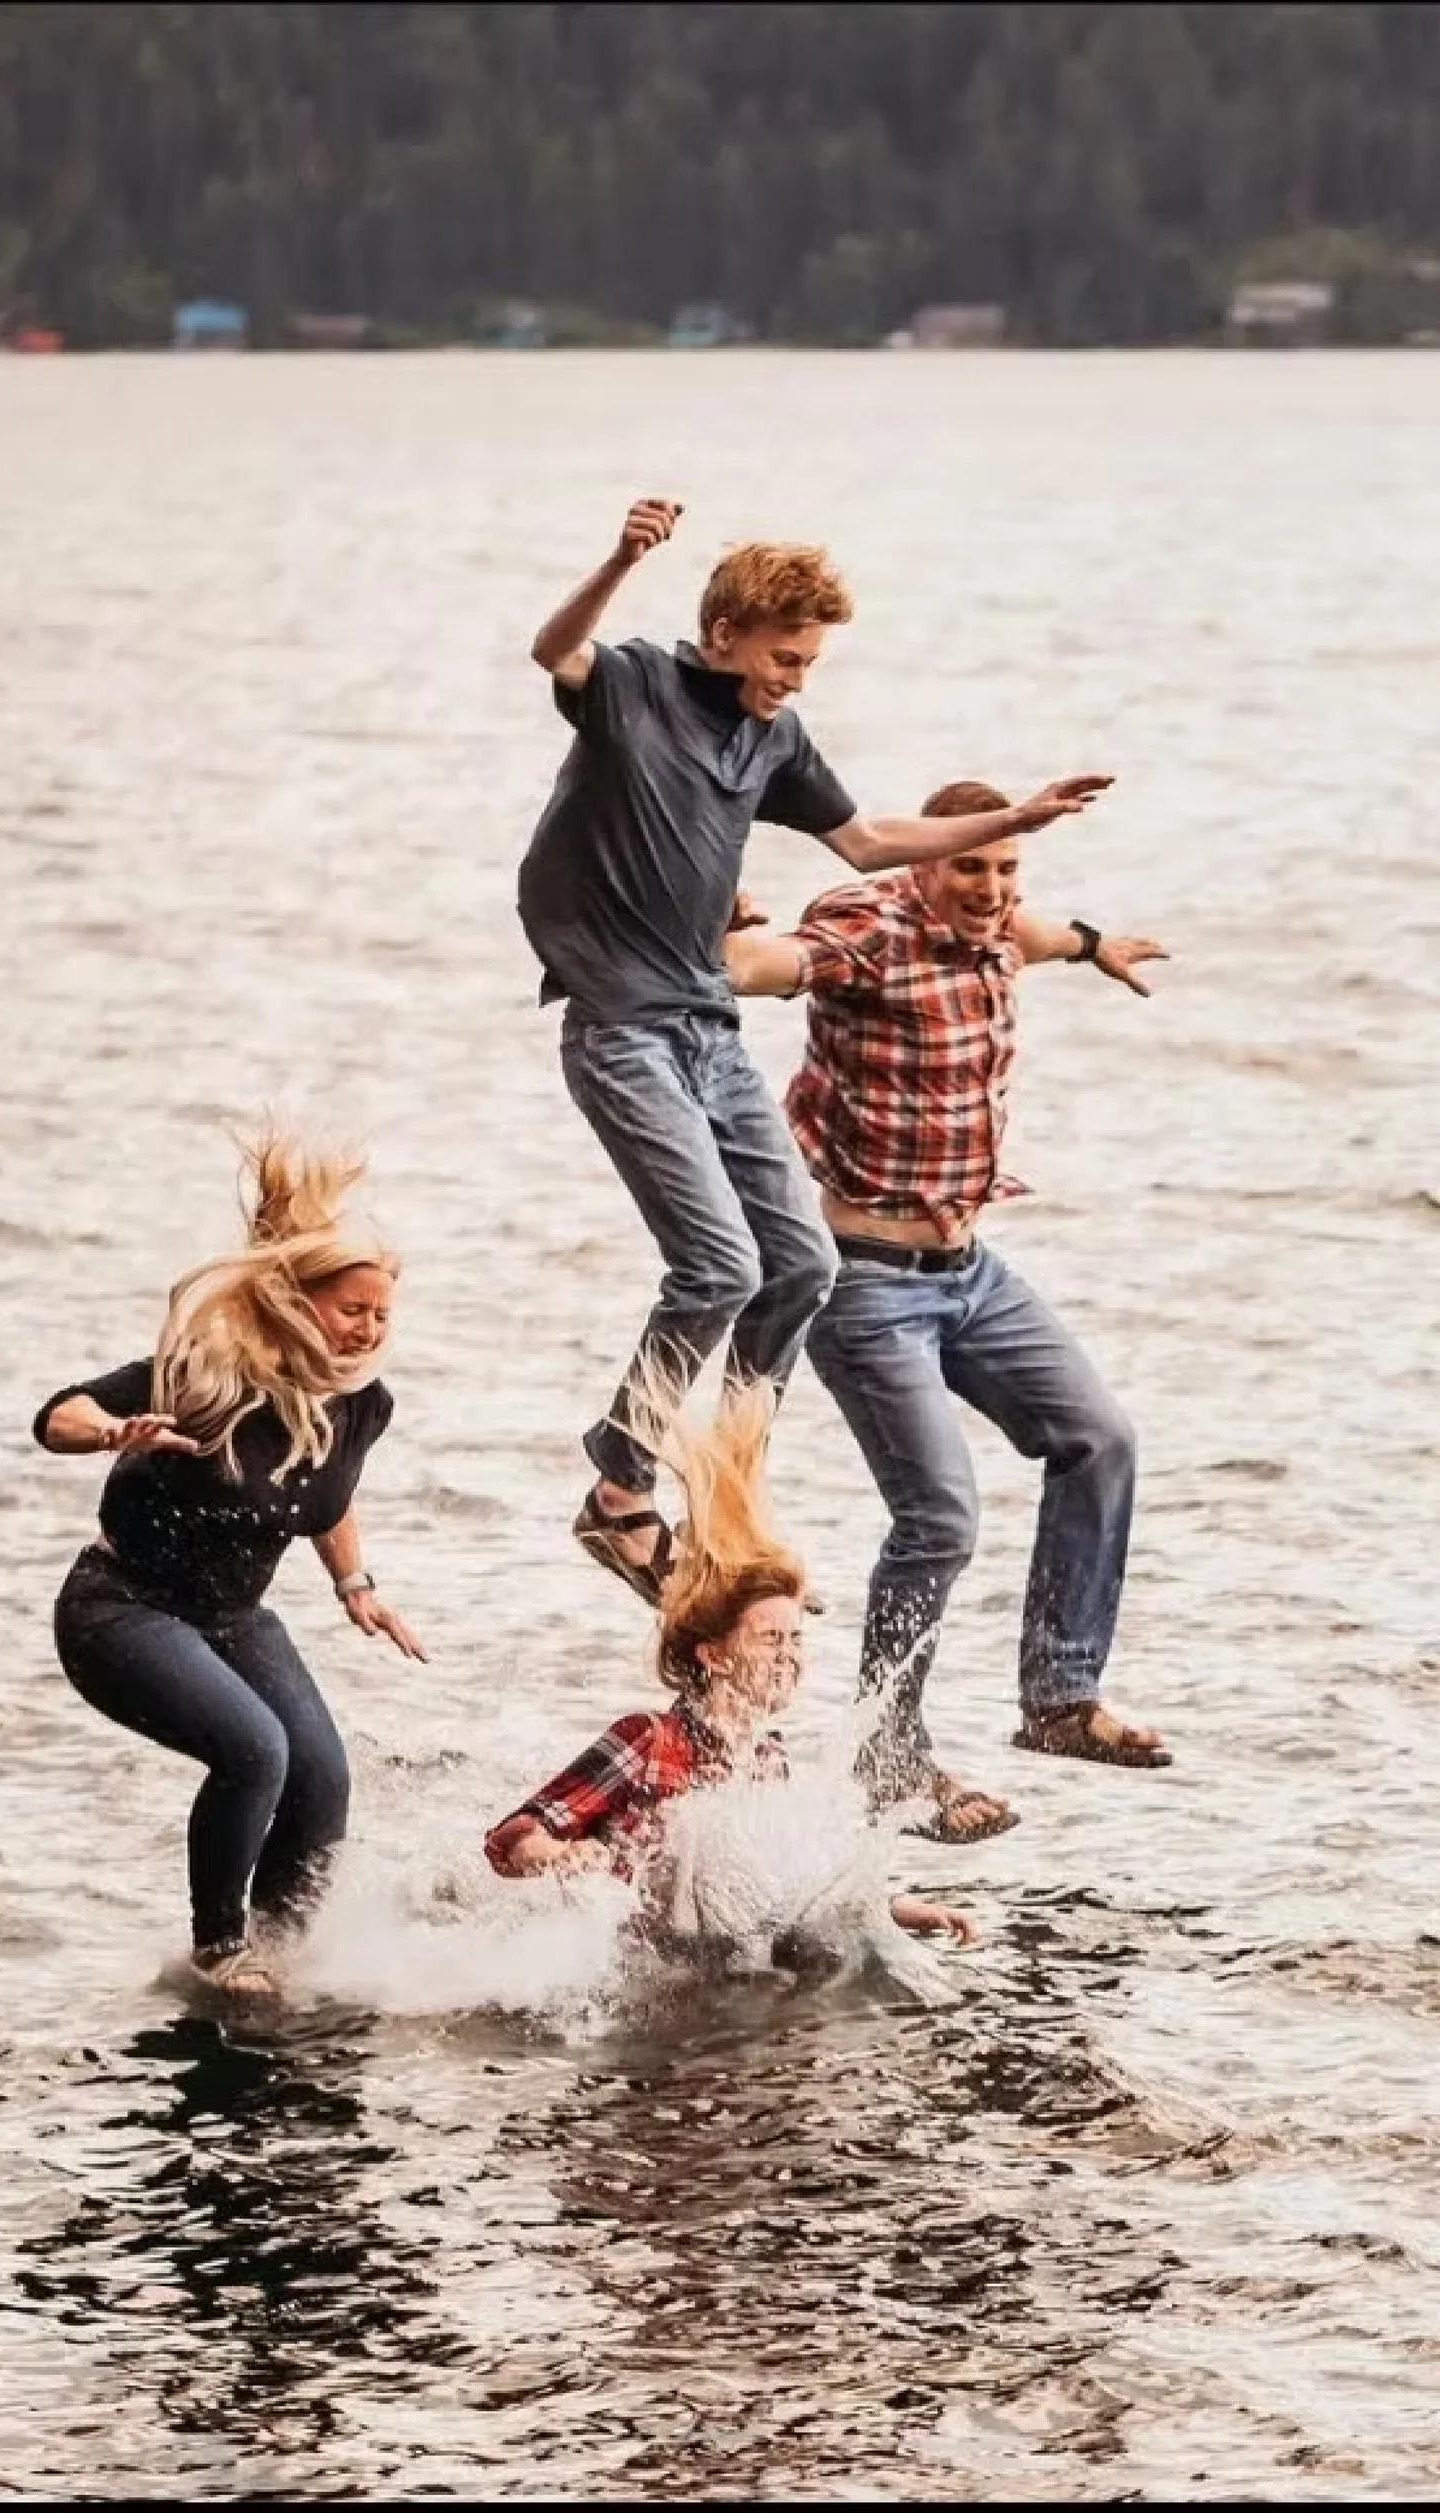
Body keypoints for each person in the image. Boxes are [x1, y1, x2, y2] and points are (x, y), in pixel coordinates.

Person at [518, 496, 1113, 1610]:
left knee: (802, 1263)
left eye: (810, 661)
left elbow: (869, 840)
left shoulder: (773, 735)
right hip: (619, 1029)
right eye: (786, 655)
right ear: (730, 628)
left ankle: (724, 1497)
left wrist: (1012, 822)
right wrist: (617, 557)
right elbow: (554, 649)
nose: (797, 675)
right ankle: (618, 1487)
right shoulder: (634, 687)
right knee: (717, 1267)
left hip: (705, 1027)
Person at [722, 780, 1173, 1845]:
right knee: (940, 1516)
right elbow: (762, 970)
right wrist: (725, 921)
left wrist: (1097, 941)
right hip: (863, 1278)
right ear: (925, 860)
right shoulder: (866, 931)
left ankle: (1058, 1700)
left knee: (1098, 1438)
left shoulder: (1003, 932)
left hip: (969, 1269)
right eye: (969, 864)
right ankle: (887, 1752)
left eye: (1005, 868)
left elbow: (1041, 932)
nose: (989, 887)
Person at [33, 1132, 426, 2001]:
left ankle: (285, 1952)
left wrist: (354, 1584)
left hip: (233, 1616)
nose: (366, 1327)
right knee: (257, 1750)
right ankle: (221, 1948)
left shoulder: (362, 1405)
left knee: (321, 1772)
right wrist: (110, 1432)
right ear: (298, 1302)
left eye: (380, 1313)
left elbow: (329, 1487)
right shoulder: (208, 1375)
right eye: (350, 1308)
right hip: (121, 1606)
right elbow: (57, 1413)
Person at [484, 1380, 976, 1954]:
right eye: (770, 1638)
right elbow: (514, 1836)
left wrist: (901, 1911)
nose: (789, 1655)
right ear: (714, 1655)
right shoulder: (647, 1739)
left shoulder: (769, 1760)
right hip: (632, 1968)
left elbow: (799, 1890)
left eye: (795, 1639)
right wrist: (564, 1857)